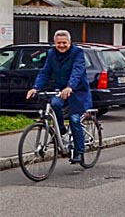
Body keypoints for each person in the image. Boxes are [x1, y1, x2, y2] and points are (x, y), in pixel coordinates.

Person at [26, 30, 92, 164]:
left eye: (64, 43)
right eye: (58, 43)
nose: (61, 45)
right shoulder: (51, 54)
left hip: (78, 91)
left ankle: (79, 152)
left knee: (74, 120)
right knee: (55, 104)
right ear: (54, 43)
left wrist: (70, 86)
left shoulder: (77, 52)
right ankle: (61, 129)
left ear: (70, 42)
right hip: (61, 90)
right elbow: (45, 72)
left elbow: (77, 71)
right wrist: (35, 87)